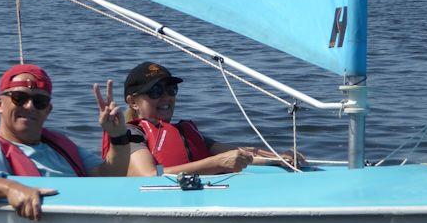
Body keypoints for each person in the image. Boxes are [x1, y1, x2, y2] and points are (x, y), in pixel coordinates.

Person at [0, 63, 130, 220]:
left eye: (40, 101)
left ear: (48, 110)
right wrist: (11, 189)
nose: (29, 106)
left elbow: (110, 176)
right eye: (19, 98)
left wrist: (118, 135)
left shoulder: (62, 147)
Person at [102, 62, 306, 176]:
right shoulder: (130, 134)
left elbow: (234, 154)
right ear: (133, 102)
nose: (166, 97)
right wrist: (217, 164)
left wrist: (277, 158)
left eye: (171, 89)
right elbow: (148, 176)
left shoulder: (183, 132)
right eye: (155, 91)